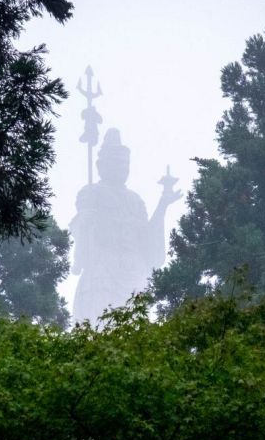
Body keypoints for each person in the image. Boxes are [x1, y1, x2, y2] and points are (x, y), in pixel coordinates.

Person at [69, 128, 181, 325]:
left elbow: (147, 241)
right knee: (99, 321)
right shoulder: (91, 192)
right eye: (116, 163)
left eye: (125, 164)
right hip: (103, 265)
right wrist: (87, 221)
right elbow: (82, 226)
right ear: (100, 165)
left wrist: (162, 205)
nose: (122, 168)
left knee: (136, 323)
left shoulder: (136, 200)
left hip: (134, 269)